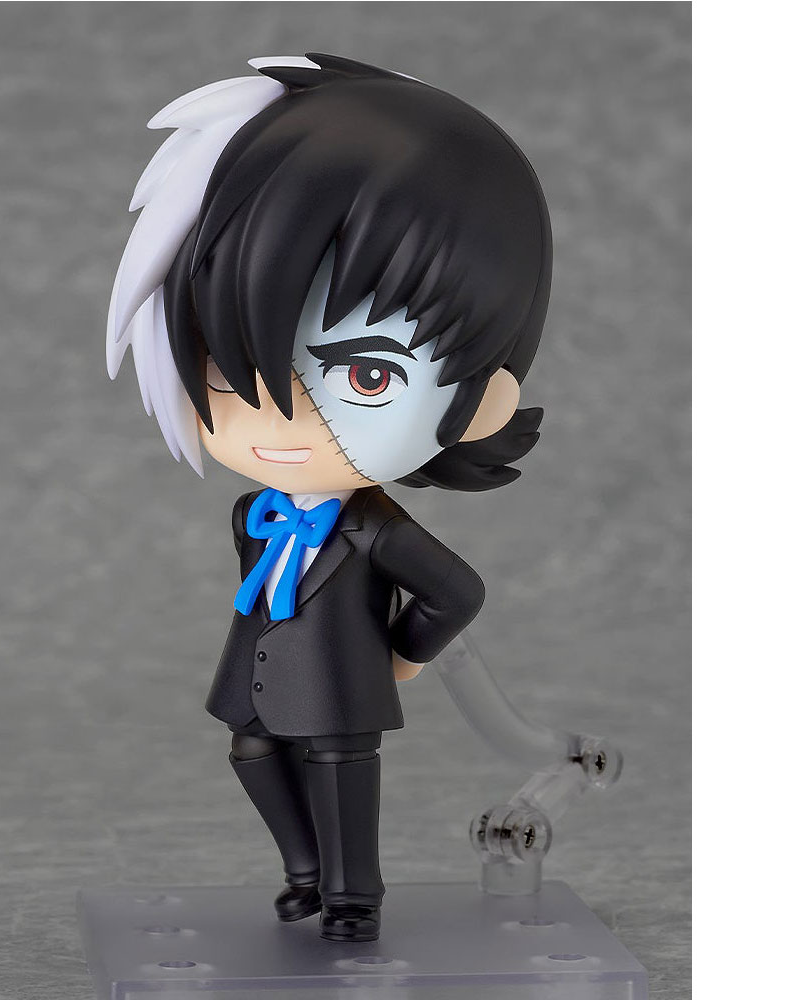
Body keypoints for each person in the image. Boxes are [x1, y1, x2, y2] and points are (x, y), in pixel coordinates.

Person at [106, 53, 551, 942]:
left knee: (342, 773)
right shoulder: (252, 512)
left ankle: (353, 895)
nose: (280, 415)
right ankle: (304, 871)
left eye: (367, 376)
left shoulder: (375, 528)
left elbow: (457, 590)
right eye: (229, 369)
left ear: (483, 400)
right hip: (259, 675)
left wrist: (401, 656)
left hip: (343, 687)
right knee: (251, 751)